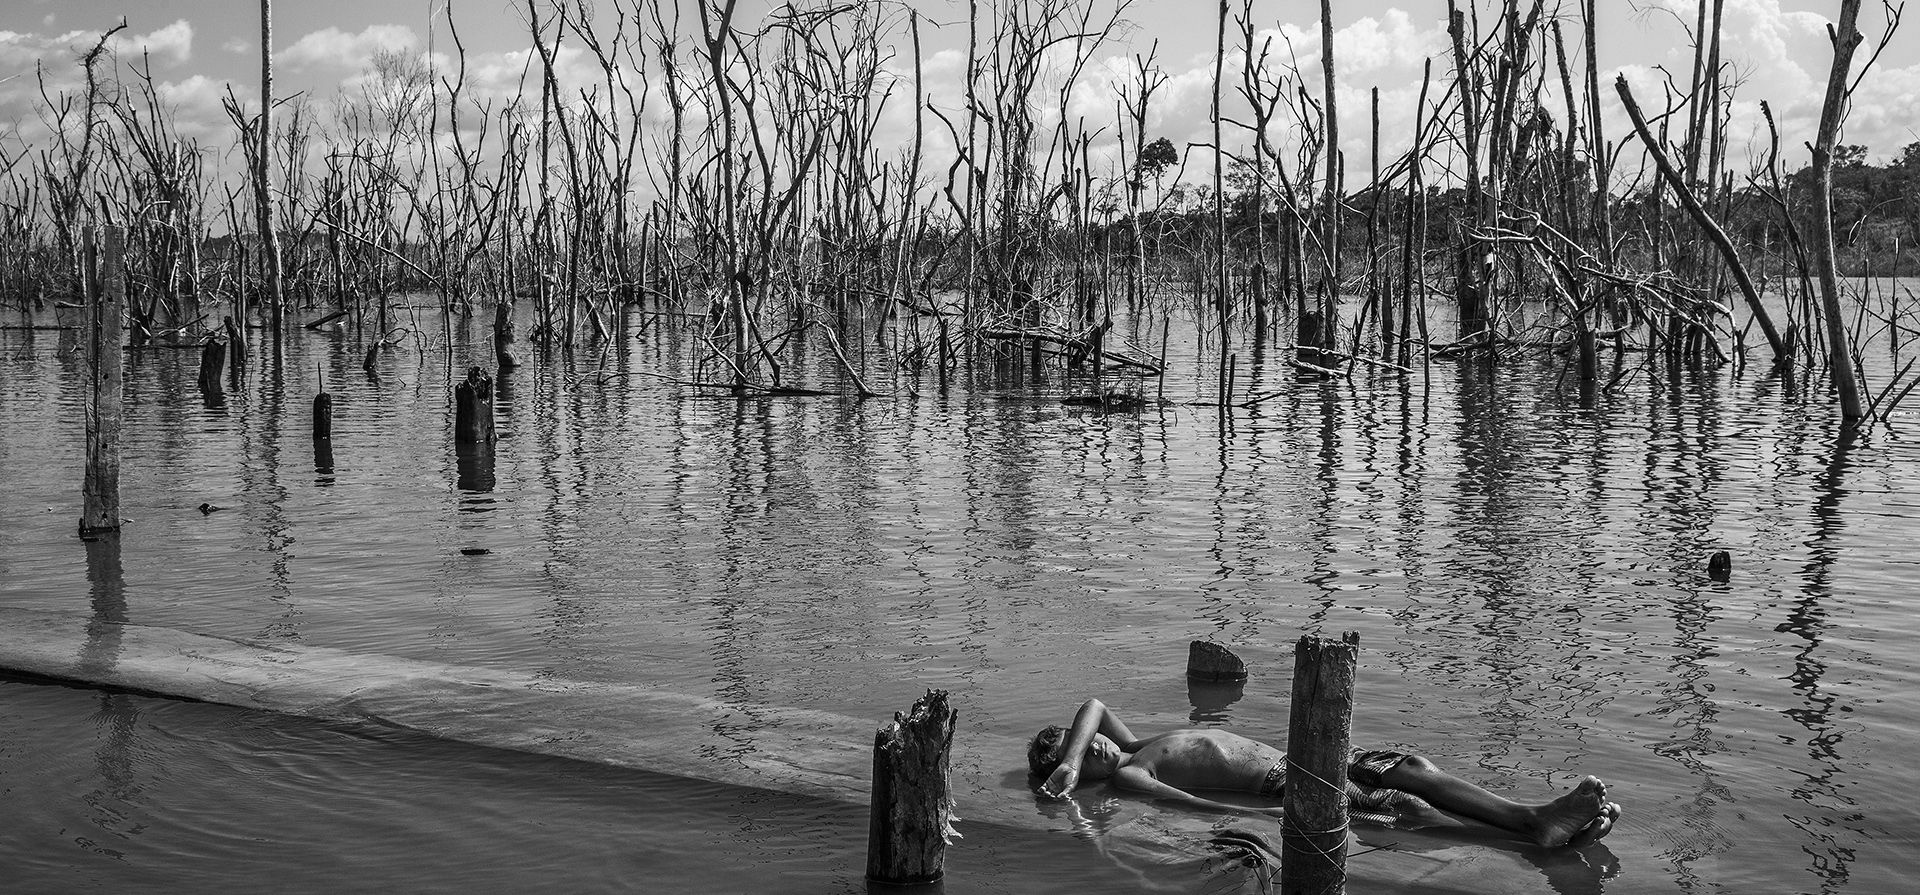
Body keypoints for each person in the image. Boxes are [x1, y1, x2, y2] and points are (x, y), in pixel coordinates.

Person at [1029, 698, 1620, 848]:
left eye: (1091, 745)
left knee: (1409, 767)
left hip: (1304, 754)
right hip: (1282, 783)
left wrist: (1073, 756)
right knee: (1403, 808)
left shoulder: (1134, 742)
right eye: (1085, 757)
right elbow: (1200, 808)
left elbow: (1094, 705)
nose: (1101, 749)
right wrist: (1262, 816)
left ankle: (1533, 820)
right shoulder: (1132, 774)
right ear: (1081, 778)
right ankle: (1533, 831)